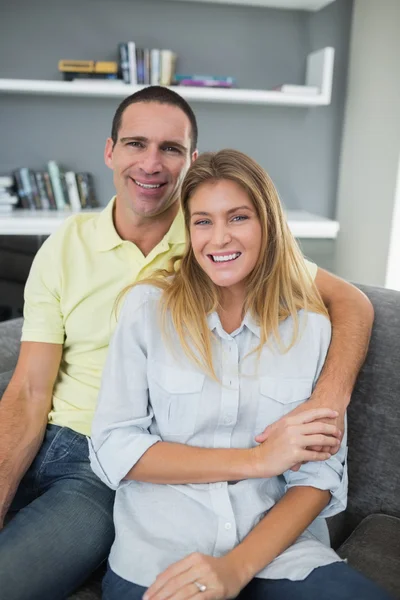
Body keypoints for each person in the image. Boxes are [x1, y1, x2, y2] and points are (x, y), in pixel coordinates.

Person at [0, 86, 373, 600]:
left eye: (170, 149)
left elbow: (350, 302)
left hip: (109, 466)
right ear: (110, 151)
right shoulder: (71, 244)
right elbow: (26, 391)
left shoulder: (210, 230)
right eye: (135, 144)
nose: (151, 163)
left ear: (190, 160)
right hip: (75, 440)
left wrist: (328, 401)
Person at [90, 149, 390, 600]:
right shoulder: (148, 309)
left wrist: (236, 568)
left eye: (238, 217)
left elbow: (320, 477)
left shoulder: (310, 327)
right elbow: (115, 445)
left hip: (281, 555)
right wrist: (256, 461)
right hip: (161, 557)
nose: (218, 238)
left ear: (267, 223)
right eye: (203, 221)